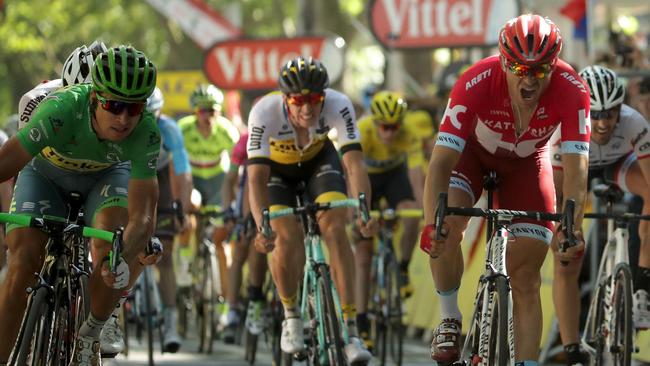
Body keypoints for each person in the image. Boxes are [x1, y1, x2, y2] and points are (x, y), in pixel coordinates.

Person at [419, 14, 591, 366]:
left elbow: (576, 171)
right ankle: (450, 317)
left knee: (526, 278)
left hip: (527, 167)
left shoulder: (573, 90)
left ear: (553, 66)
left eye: (540, 70)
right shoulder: (475, 82)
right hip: (470, 158)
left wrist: (571, 228)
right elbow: (439, 164)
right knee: (448, 227)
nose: (528, 78)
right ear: (503, 61)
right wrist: (430, 225)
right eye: (518, 67)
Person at [0, 45, 160, 366]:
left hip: (105, 178)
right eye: (113, 105)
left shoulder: (146, 134)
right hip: (46, 175)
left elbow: (143, 216)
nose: (123, 118)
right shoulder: (60, 109)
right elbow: (7, 163)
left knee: (108, 248)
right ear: (92, 96)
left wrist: (125, 253)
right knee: (22, 262)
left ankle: (90, 334)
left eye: (134, 108)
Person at [247, 56, 377, 363]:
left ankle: (351, 332)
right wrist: (261, 226)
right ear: (285, 99)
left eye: (315, 100)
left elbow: (354, 165)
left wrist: (363, 212)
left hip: (320, 163)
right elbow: (256, 178)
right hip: (277, 173)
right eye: (299, 101)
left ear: (324, 97)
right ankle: (291, 315)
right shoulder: (263, 112)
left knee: (336, 228)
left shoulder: (339, 104)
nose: (307, 109)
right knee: (285, 235)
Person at [550, 65, 650, 364]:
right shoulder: (562, 125)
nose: (604, 123)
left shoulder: (635, 122)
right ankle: (571, 347)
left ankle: (643, 286)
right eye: (595, 114)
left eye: (610, 113)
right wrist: (568, 230)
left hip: (618, 163)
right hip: (573, 165)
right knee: (565, 253)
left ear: (621, 108)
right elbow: (559, 196)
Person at [353, 90, 425, 348]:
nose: (390, 133)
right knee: (363, 253)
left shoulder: (409, 133)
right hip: (365, 178)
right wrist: (358, 209)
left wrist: (421, 208)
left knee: (411, 214)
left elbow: (416, 176)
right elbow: (351, 171)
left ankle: (402, 267)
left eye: (395, 127)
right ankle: (361, 322)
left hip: (393, 176)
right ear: (374, 123)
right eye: (384, 127)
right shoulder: (361, 130)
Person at [177, 83, 240, 341]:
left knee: (222, 244)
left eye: (213, 110)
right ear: (195, 111)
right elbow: (175, 165)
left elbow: (240, 165)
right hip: (193, 179)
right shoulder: (184, 129)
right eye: (203, 110)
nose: (208, 115)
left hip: (217, 179)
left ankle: (225, 305)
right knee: (189, 220)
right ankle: (185, 265)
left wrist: (233, 204)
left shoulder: (226, 130)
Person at [145, 86, 193, 352]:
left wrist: (181, 211)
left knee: (164, 254)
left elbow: (184, 173)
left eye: (153, 115)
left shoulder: (170, 129)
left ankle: (171, 323)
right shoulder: (126, 123)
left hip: (159, 180)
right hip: (129, 176)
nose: (147, 121)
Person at [222, 129, 268, 336]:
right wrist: (229, 211)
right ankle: (232, 308)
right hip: (249, 196)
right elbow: (230, 179)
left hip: (277, 190)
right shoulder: (245, 140)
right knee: (242, 248)